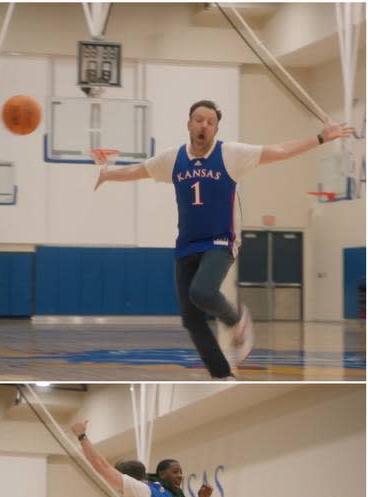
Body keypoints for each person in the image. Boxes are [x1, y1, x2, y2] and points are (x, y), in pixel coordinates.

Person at [94, 100, 356, 379]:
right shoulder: (173, 159)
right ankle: (222, 374)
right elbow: (138, 171)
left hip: (221, 241)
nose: (203, 125)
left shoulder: (230, 154)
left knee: (202, 292)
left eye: (210, 122)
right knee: (191, 320)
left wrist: (319, 138)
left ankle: (236, 319)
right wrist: (107, 174)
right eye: (198, 119)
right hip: (186, 244)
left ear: (216, 128)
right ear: (189, 124)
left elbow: (278, 151)